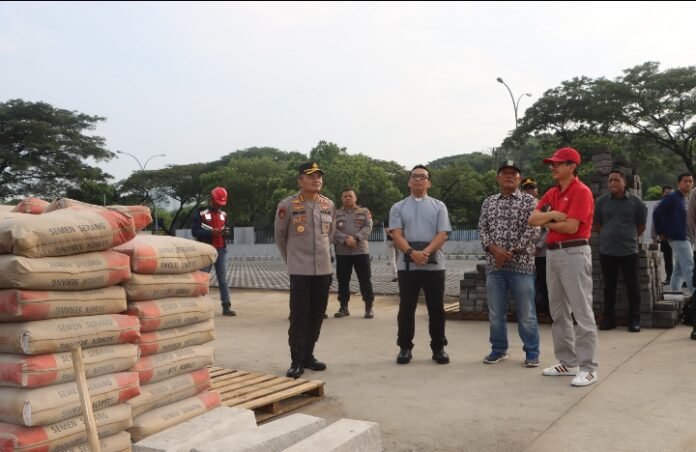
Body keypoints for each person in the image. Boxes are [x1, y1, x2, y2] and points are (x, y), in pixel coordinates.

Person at [528, 147, 598, 387]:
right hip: (553, 253)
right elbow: (532, 219)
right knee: (558, 311)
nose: (553, 167)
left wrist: (548, 219)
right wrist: (555, 215)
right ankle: (568, 362)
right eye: (552, 163)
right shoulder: (552, 192)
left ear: (572, 166)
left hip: (574, 252)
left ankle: (588, 367)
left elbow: (571, 227)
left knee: (581, 310)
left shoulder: (582, 192)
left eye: (558, 163)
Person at [274, 162, 335, 379]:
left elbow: (330, 235)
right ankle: (296, 360)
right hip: (300, 270)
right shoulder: (287, 205)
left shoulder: (328, 204)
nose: (316, 180)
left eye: (319, 176)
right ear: (300, 180)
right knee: (299, 316)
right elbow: (280, 236)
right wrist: (292, 260)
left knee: (317, 314)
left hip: (323, 270)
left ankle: (309, 355)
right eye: (311, 176)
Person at [478, 161, 541, 367]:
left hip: (522, 266)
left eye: (514, 174)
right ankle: (498, 350)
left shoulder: (530, 202)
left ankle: (532, 352)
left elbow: (534, 229)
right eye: (505, 173)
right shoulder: (489, 202)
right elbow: (482, 229)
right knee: (496, 313)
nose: (509, 176)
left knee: (526, 313)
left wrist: (511, 251)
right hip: (494, 266)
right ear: (498, 178)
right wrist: (494, 249)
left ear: (519, 179)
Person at [389, 164, 452, 365]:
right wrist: (411, 253)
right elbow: (396, 234)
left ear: (428, 183)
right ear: (409, 181)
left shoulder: (439, 206)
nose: (418, 179)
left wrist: (425, 253)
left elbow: (443, 234)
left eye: (422, 177)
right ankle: (405, 347)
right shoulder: (398, 207)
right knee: (406, 308)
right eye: (414, 176)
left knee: (436, 307)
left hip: (434, 265)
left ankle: (438, 347)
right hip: (407, 267)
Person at [594, 169, 648, 332]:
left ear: (624, 182)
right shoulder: (601, 202)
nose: (612, 183)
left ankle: (634, 320)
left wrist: (628, 236)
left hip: (628, 250)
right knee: (609, 286)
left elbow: (641, 226)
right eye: (610, 180)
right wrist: (608, 235)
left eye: (616, 180)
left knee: (632, 286)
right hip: (607, 250)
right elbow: (597, 225)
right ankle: (609, 319)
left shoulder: (636, 203)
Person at [192, 186, 235, 316]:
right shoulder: (201, 214)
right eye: (217, 203)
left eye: (220, 204)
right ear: (211, 200)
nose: (218, 206)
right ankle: (200, 306)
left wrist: (226, 232)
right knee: (203, 278)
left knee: (223, 279)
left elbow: (227, 228)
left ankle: (226, 306)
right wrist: (211, 232)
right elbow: (195, 231)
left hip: (221, 250)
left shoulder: (224, 215)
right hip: (206, 250)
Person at [333, 188, 375, 319]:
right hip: (342, 252)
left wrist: (356, 238)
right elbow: (332, 230)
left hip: (360, 251)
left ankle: (369, 307)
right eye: (345, 196)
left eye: (350, 196)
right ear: (341, 198)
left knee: (365, 280)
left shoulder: (364, 211)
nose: (347, 198)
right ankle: (343, 307)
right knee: (343, 281)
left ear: (355, 198)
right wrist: (345, 239)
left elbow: (368, 227)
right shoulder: (336, 213)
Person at [653, 173, 694, 295]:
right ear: (678, 183)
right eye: (685, 181)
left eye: (690, 181)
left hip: (687, 237)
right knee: (690, 265)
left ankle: (673, 292)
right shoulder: (672, 197)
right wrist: (660, 231)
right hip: (678, 237)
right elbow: (657, 213)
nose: (688, 184)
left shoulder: (685, 198)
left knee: (679, 269)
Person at [521, 177, 550, 318]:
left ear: (537, 191)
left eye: (532, 188)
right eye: (526, 189)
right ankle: (531, 309)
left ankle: (547, 308)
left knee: (544, 282)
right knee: (526, 283)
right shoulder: (518, 208)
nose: (529, 191)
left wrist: (538, 246)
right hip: (524, 253)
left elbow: (549, 230)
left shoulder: (543, 208)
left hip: (541, 252)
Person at [652, 185, 674, 285]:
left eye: (671, 194)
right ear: (662, 194)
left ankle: (680, 279)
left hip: (677, 236)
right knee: (667, 258)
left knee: (680, 258)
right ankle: (669, 278)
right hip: (664, 236)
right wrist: (654, 237)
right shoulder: (657, 206)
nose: (668, 195)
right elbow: (654, 223)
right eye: (667, 193)